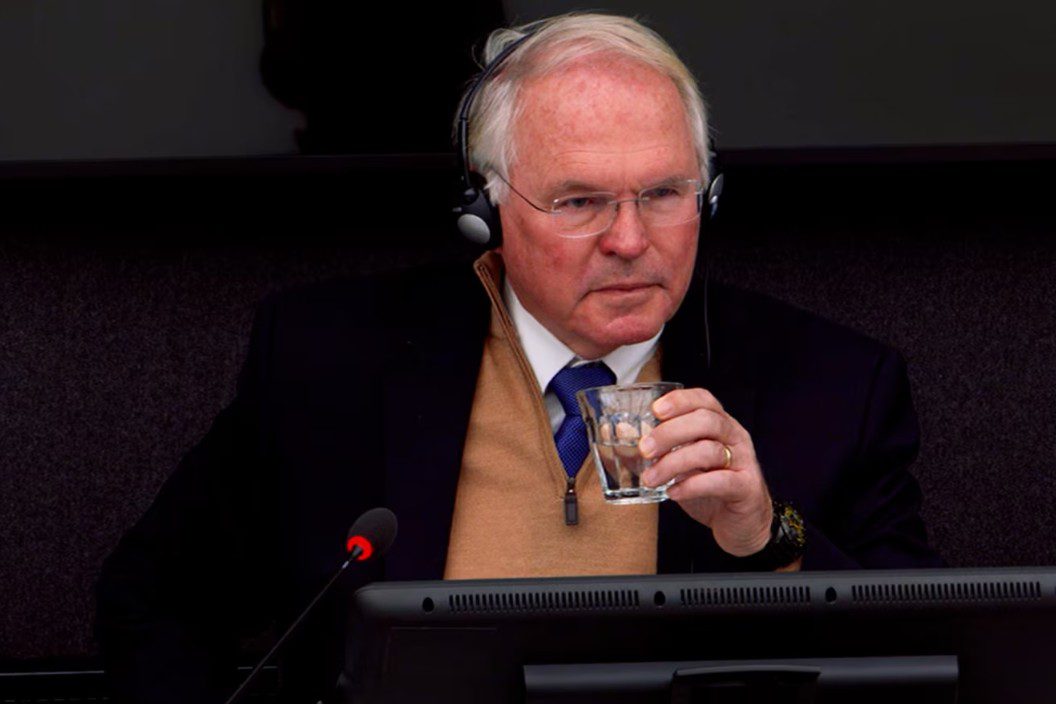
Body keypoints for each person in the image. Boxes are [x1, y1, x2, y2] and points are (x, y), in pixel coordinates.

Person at [96, 12, 941, 703]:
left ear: (708, 193)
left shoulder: (833, 385)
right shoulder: (332, 362)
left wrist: (765, 533)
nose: (629, 239)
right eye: (580, 201)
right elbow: (153, 601)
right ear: (487, 206)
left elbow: (924, 659)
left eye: (662, 194)